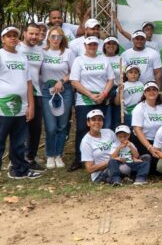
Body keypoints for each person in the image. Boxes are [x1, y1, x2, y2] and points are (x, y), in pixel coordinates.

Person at [0, 26, 42, 189]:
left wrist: (30, 106)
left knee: (19, 142)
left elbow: (29, 83)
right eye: (9, 36)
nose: (13, 38)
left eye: (15, 35)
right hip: (2, 108)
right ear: (3, 39)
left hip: (21, 108)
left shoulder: (22, 57)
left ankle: (20, 170)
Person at [69, 36, 115, 171]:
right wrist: (90, 95)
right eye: (89, 45)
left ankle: (101, 158)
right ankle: (79, 159)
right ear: (85, 46)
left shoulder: (104, 59)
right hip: (84, 100)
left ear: (98, 46)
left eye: (94, 44)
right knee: (82, 129)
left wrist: (104, 94)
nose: (92, 47)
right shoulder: (79, 60)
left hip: (101, 98)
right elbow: (74, 81)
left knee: (101, 127)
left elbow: (110, 79)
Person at [40, 26, 75, 169]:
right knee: (51, 126)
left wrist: (62, 80)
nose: (55, 39)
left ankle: (58, 154)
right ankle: (50, 155)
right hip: (47, 91)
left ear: (62, 39)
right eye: (53, 36)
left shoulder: (68, 53)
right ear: (48, 38)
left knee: (62, 125)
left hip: (64, 90)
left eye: (58, 37)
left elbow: (73, 72)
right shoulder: (42, 52)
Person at [16, 23, 45, 172]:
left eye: (37, 34)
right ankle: (17, 159)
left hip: (36, 93)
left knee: (35, 129)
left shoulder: (40, 51)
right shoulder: (17, 48)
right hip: (19, 94)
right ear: (24, 33)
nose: (34, 37)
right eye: (31, 33)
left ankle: (30, 158)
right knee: (20, 128)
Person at [131, 81, 162, 173]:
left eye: (154, 89)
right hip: (144, 142)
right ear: (144, 93)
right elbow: (137, 130)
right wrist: (150, 147)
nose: (151, 92)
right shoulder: (139, 108)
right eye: (148, 90)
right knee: (154, 169)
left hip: (159, 142)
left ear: (158, 92)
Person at [103, 36, 122, 130]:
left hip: (118, 90)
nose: (111, 45)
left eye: (114, 44)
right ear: (104, 46)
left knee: (117, 118)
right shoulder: (100, 59)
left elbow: (125, 75)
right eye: (109, 43)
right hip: (104, 91)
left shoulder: (121, 59)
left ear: (117, 46)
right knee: (107, 119)